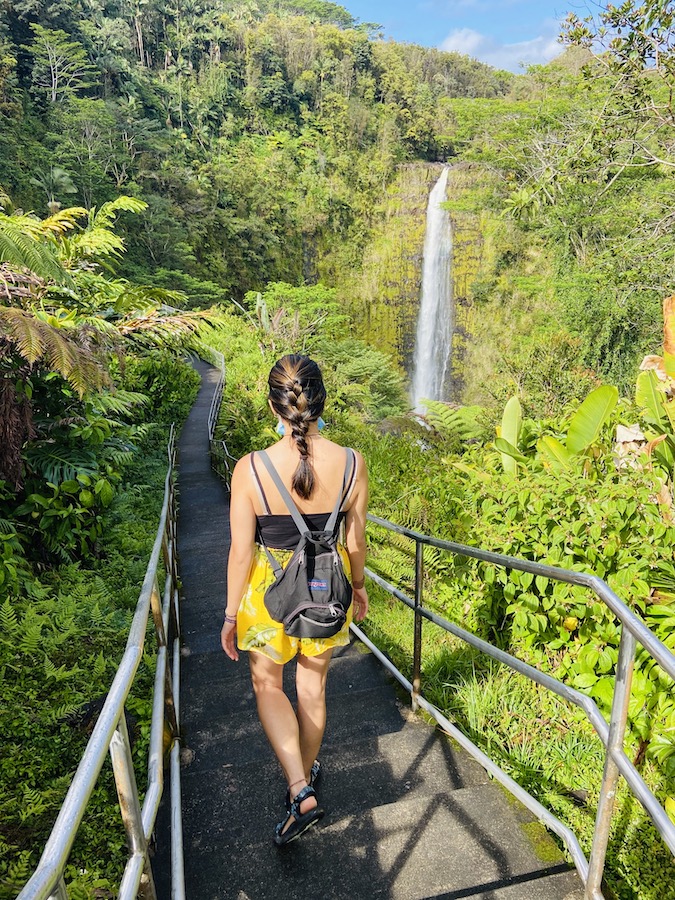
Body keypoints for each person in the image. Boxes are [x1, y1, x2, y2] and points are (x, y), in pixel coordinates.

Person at [220, 354, 369, 846]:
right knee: (313, 689)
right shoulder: (352, 463)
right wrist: (361, 587)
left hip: (268, 592)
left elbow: (241, 551)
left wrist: (228, 614)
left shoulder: (251, 469)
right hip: (327, 586)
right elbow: (355, 541)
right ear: (322, 401)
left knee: (268, 687)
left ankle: (298, 786)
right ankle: (301, 779)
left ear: (273, 406)